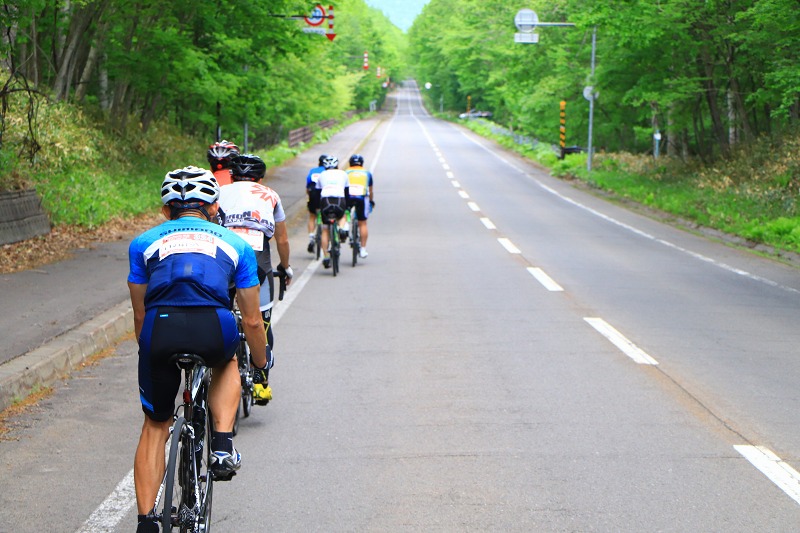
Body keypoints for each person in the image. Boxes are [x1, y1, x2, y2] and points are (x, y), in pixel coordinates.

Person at [127, 166, 270, 533]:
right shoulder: (235, 245)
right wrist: (260, 361)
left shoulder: (143, 244)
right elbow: (253, 321)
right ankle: (222, 446)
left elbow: (140, 314)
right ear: (214, 206)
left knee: (154, 426)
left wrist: (150, 352)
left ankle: (146, 522)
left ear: (165, 211)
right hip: (212, 326)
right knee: (227, 361)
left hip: (160, 327)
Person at [218, 153, 293, 404]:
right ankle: (261, 381)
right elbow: (281, 239)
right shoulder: (270, 194)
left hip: (224, 252)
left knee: (221, 310)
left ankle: (216, 369)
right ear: (260, 178)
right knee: (262, 320)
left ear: (232, 176)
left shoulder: (219, 192)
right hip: (257, 254)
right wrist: (285, 267)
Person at [316, 155, 350, 269]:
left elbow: (317, 192)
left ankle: (326, 256)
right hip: (339, 199)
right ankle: (341, 229)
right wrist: (348, 207)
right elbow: (347, 192)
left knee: (325, 229)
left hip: (325, 200)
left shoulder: (322, 175)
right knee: (342, 215)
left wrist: (317, 207)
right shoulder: (343, 174)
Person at [345, 154, 374, 258]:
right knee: (362, 223)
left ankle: (345, 226)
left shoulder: (346, 172)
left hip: (348, 196)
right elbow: (370, 190)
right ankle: (363, 249)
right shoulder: (367, 173)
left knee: (344, 214)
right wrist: (371, 201)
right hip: (362, 197)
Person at [306, 154, 327, 253]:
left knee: (312, 216)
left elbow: (307, 187)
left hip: (313, 195)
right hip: (324, 197)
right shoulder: (328, 172)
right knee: (326, 218)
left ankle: (311, 237)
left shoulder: (313, 171)